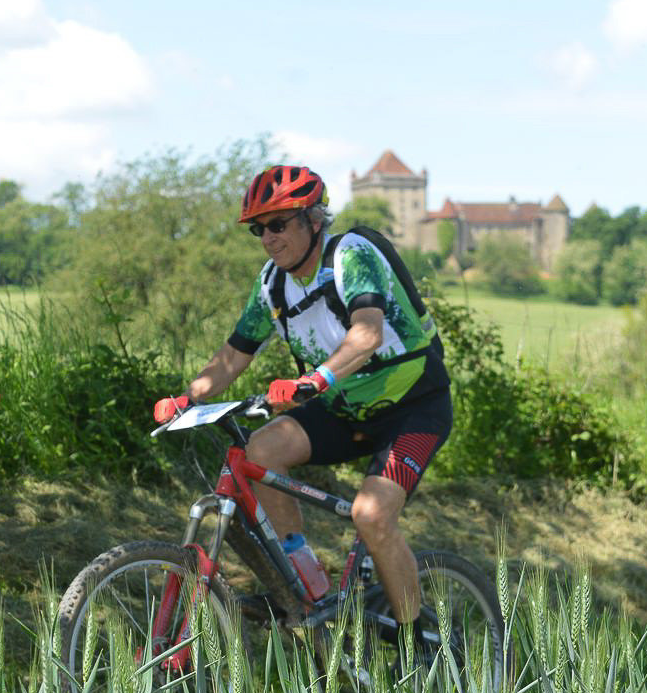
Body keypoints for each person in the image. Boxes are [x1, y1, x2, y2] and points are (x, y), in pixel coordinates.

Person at [152, 164, 452, 623]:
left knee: (371, 516)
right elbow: (234, 354)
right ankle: (304, 582)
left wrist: (314, 380)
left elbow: (368, 333)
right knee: (261, 450)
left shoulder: (351, 255)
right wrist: (188, 398)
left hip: (413, 407)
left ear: (313, 220)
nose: (268, 238)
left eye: (277, 224)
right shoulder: (273, 283)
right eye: (258, 229)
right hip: (343, 410)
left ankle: (420, 644)